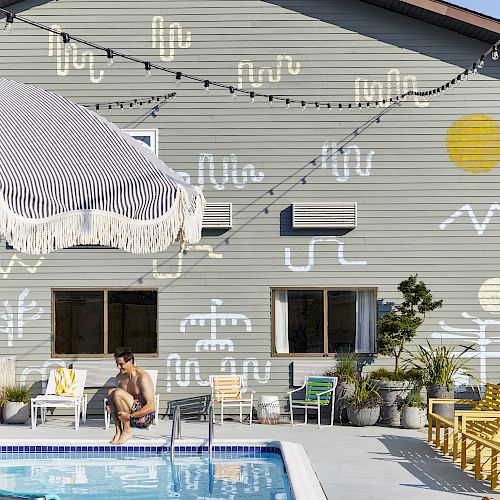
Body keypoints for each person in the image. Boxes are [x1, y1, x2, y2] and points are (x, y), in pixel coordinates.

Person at [107, 347, 156, 445]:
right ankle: (119, 431)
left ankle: (127, 431)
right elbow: (119, 401)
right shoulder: (119, 378)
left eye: (121, 364)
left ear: (130, 361)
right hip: (127, 415)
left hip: (143, 418)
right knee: (111, 392)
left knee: (116, 392)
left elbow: (151, 406)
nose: (119, 367)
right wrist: (111, 405)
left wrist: (130, 416)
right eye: (117, 364)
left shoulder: (142, 377)